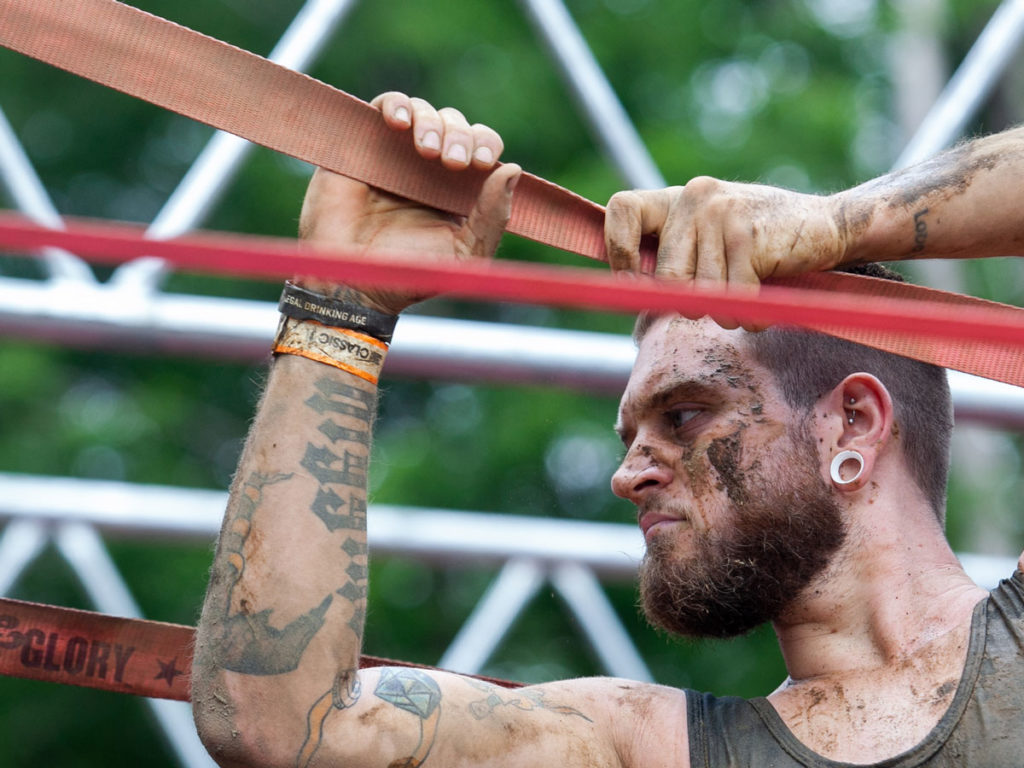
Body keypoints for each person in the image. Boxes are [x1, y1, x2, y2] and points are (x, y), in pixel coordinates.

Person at [191, 92, 1024, 768]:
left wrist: (839, 225)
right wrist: (341, 305)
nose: (628, 476)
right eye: (632, 433)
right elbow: (282, 728)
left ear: (852, 423)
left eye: (686, 415)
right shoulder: (635, 748)